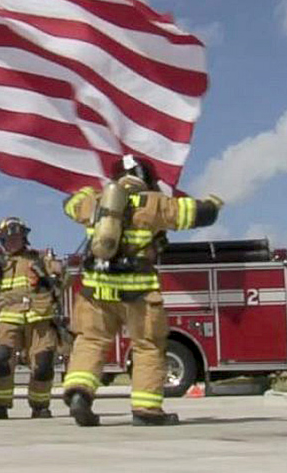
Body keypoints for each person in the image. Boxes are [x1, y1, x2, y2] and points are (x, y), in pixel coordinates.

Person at [61, 154, 222, 426]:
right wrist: (214, 204)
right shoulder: (155, 204)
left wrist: (87, 193)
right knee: (147, 346)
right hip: (138, 294)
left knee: (90, 342)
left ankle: (79, 391)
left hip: (96, 292)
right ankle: (146, 410)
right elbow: (197, 215)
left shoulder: (94, 202)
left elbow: (69, 204)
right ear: (146, 178)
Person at [0, 217, 63, 419]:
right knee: (1, 359)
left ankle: (40, 405)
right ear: (1, 241)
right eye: (7, 238)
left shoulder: (39, 259)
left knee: (43, 363)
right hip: (8, 319)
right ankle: (0, 404)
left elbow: (62, 282)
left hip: (39, 318)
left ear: (24, 237)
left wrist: (52, 275)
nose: (12, 241)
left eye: (16, 237)